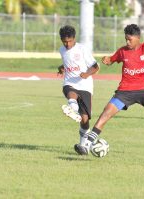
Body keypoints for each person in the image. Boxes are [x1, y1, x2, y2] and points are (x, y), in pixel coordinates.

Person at [75, 16, 144, 158]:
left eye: (130, 39)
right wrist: (107, 60)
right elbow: (112, 59)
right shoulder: (123, 51)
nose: (127, 42)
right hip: (124, 92)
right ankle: (85, 146)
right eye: (126, 39)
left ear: (138, 38)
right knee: (106, 113)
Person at [58, 25, 100, 155]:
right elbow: (67, 62)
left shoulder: (82, 49)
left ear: (74, 38)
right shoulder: (62, 50)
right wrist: (62, 68)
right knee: (70, 92)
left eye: (70, 41)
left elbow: (95, 66)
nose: (67, 44)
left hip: (85, 85)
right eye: (64, 41)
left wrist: (87, 74)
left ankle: (83, 147)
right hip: (70, 82)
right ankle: (72, 107)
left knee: (85, 119)